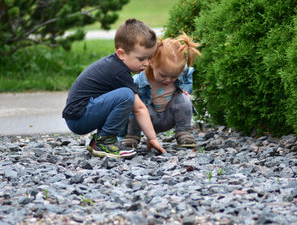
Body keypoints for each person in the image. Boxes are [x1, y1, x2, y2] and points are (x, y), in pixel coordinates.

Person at [62, 18, 167, 158]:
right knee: (126, 95)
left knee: (124, 95)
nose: (147, 64)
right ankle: (104, 141)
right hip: (79, 118)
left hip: (80, 114)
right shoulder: (118, 72)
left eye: (149, 58)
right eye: (141, 59)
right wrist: (152, 138)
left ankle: (99, 141)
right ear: (121, 54)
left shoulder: (114, 65)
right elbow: (139, 108)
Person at [121, 33, 201, 149]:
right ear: (152, 62)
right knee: (134, 104)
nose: (168, 80)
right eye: (163, 75)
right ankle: (132, 135)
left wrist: (185, 90)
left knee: (183, 99)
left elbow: (188, 74)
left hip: (169, 115)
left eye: (174, 76)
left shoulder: (182, 71)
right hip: (147, 118)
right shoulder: (139, 81)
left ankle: (183, 132)